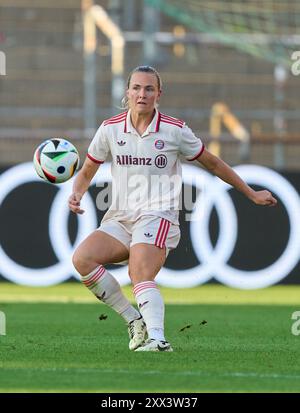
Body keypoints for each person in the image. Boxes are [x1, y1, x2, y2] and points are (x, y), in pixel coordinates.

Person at [69, 65, 277, 352]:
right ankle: (134, 320)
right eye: (137, 88)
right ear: (127, 92)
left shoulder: (174, 130)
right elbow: (88, 168)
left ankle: (158, 338)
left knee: (139, 272)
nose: (142, 94)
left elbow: (213, 163)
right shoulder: (110, 129)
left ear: (158, 94)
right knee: (83, 260)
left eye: (149, 89)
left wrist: (250, 193)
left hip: (158, 215)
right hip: (120, 217)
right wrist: (76, 193)